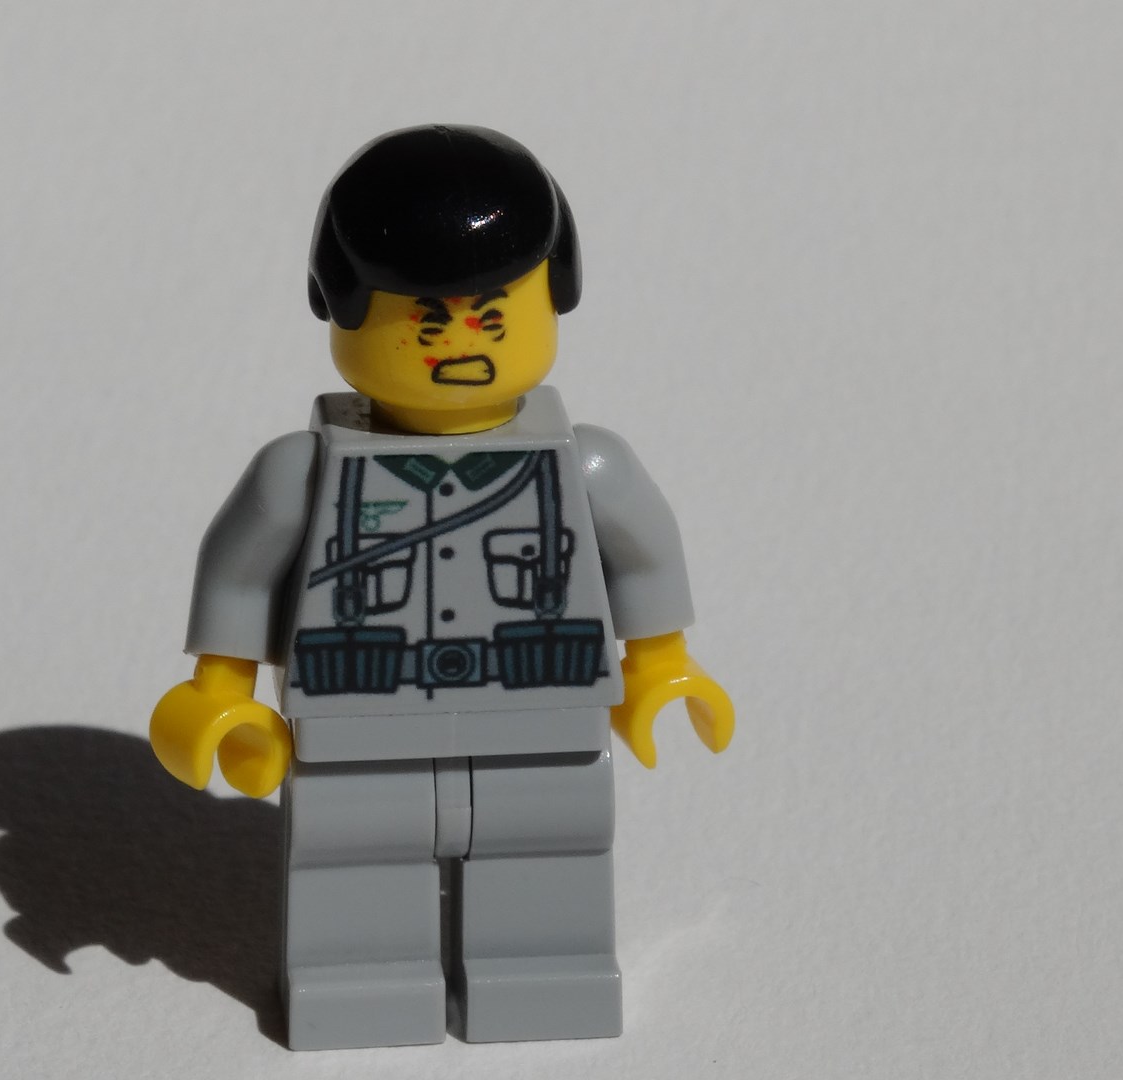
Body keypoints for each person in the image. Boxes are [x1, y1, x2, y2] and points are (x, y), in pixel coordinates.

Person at [149, 124, 734, 1050]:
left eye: (492, 318)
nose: (460, 345)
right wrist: (217, 692)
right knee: (354, 847)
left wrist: (660, 665)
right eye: (425, 321)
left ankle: (542, 972)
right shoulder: (304, 472)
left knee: (548, 843)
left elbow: (644, 560)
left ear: (554, 299)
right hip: (358, 711)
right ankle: (357, 980)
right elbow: (240, 571)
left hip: (542, 705)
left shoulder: (585, 465)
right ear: (340, 310)